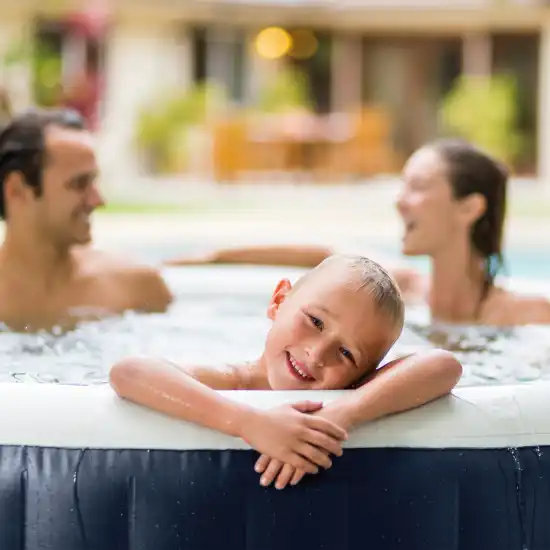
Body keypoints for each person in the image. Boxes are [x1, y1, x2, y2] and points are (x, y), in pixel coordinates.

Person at [110, 254, 462, 490]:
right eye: (316, 321)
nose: (317, 353)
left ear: (361, 376)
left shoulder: (341, 398)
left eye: (346, 353)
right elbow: (129, 372)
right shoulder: (234, 381)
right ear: (279, 302)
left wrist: (345, 414)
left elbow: (443, 365)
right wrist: (249, 423)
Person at [164, 139, 550, 326]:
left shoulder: (528, 316)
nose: (400, 201)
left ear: (469, 207)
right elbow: (323, 253)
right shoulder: (405, 291)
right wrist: (212, 257)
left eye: (417, 187)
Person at [0, 108, 173, 332]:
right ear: (17, 190)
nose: (98, 200)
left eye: (94, 182)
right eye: (79, 184)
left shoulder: (138, 288)